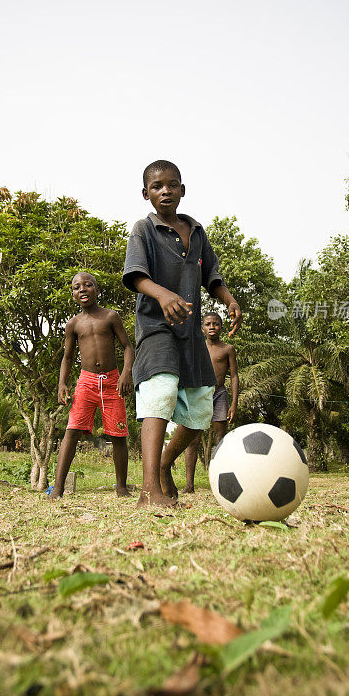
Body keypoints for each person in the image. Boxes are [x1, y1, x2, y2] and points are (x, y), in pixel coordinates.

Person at [123, 160, 242, 507]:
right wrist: (161, 294)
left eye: (172, 185)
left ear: (182, 190)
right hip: (156, 328)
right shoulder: (143, 230)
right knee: (159, 395)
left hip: (190, 335)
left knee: (201, 410)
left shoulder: (198, 232)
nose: (166, 191)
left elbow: (212, 276)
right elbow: (135, 275)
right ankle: (149, 491)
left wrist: (228, 298)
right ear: (146, 194)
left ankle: (163, 463)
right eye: (157, 186)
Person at [51, 272, 134, 498]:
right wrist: (62, 384)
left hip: (112, 382)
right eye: (77, 287)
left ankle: (121, 487)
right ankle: (57, 488)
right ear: (73, 295)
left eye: (88, 285)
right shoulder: (74, 324)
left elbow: (128, 347)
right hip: (86, 382)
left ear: (97, 290)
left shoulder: (110, 317)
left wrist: (126, 373)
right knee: (73, 430)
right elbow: (67, 358)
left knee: (118, 434)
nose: (83, 290)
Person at [183, 312, 239, 492]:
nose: (212, 327)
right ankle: (189, 485)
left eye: (216, 324)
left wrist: (234, 403)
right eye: (208, 324)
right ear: (203, 328)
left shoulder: (228, 349)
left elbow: (234, 376)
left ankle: (221, 483)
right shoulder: (198, 348)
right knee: (192, 439)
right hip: (199, 394)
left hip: (220, 394)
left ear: (222, 327)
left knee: (220, 439)